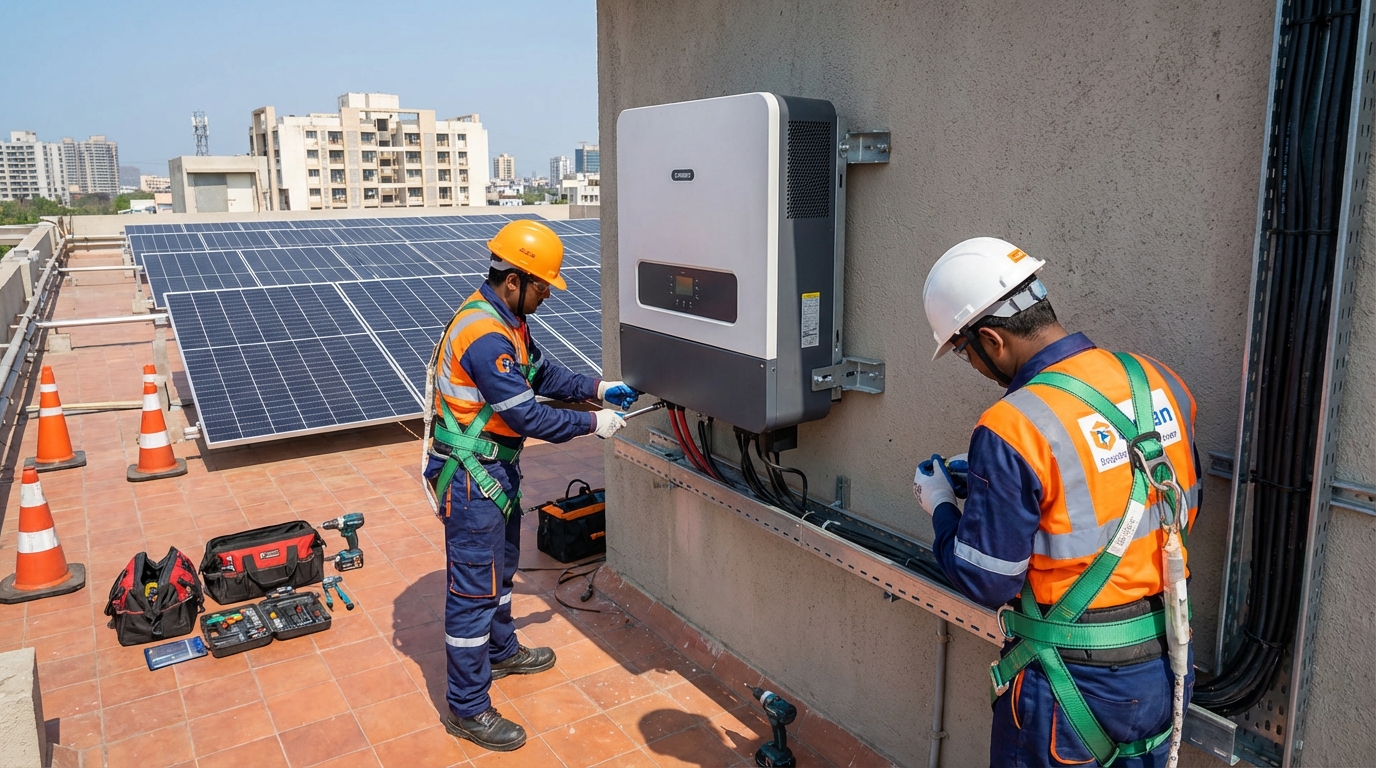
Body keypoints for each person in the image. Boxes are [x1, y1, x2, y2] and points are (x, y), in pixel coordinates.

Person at [912, 237, 1200, 767]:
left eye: (963, 351)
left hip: (1069, 684)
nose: (971, 364)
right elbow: (1170, 500)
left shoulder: (1011, 426)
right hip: (1163, 664)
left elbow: (988, 578)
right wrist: (999, 488)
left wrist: (942, 509)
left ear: (992, 341)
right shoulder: (1157, 380)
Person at [422, 218, 638, 752]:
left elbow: (545, 376)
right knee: (473, 593)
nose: (548, 295)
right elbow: (527, 416)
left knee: (501, 573)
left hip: (495, 472)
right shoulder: (484, 333)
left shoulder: (510, 322)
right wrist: (594, 424)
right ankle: (468, 708)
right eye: (543, 286)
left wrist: (599, 388)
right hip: (472, 478)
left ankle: (500, 651)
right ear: (514, 279)